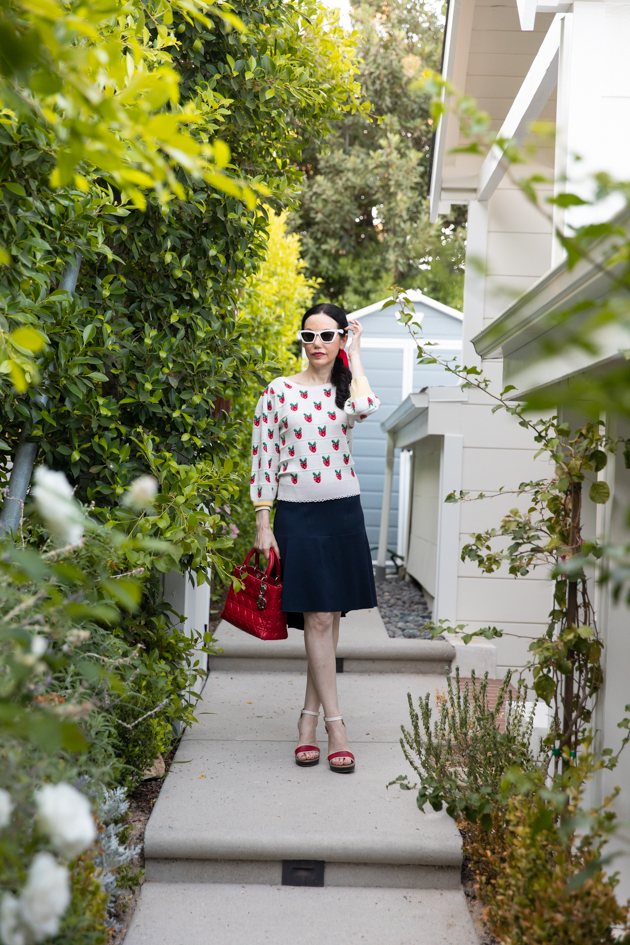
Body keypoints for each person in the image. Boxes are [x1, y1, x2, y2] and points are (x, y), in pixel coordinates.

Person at [250, 302, 380, 772]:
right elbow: (263, 458)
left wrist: (357, 354)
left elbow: (368, 407)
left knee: (324, 621)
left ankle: (309, 719)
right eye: (310, 337)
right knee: (320, 619)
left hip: (343, 512)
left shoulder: (348, 393)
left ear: (341, 339)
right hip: (298, 516)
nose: (318, 345)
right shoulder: (278, 391)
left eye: (328, 336)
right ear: (301, 342)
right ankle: (335, 725)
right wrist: (263, 522)